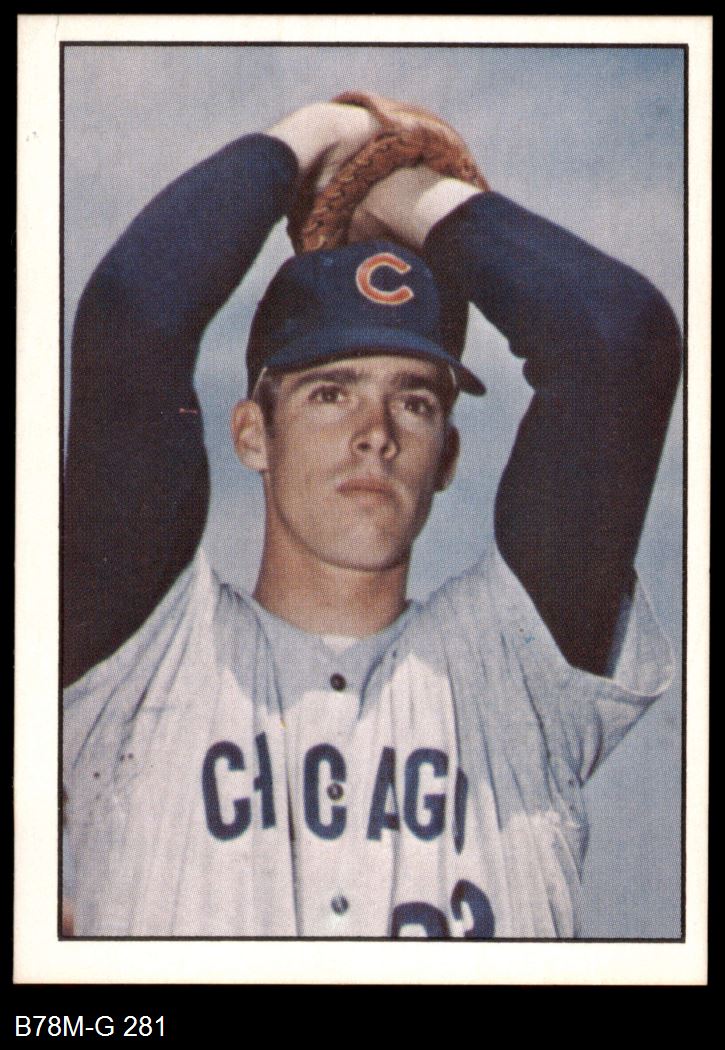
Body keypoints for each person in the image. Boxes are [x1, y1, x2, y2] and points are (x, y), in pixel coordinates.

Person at [62, 98, 681, 938]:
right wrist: (328, 134)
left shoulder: (513, 674)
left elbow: (617, 341)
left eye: (415, 401)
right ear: (253, 433)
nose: (376, 432)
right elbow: (135, 313)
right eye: (330, 391)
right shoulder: (148, 659)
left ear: (447, 456)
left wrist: (399, 189)